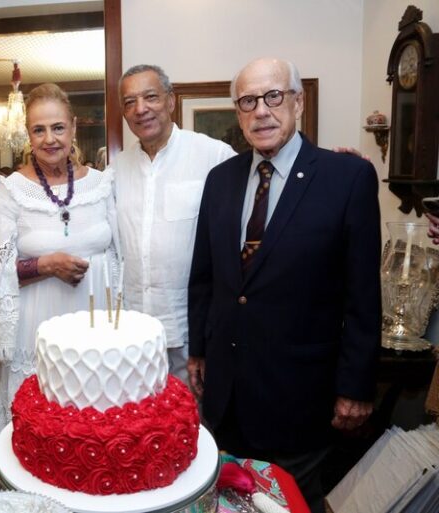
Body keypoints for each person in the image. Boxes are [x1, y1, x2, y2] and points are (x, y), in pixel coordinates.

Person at [187, 58, 381, 512]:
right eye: (248, 101)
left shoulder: (346, 177)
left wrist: (355, 387)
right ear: (238, 112)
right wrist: (199, 348)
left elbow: (363, 295)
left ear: (298, 101)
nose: (261, 111)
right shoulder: (220, 180)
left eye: (274, 96)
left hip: (300, 400)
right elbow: (204, 276)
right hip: (227, 399)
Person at [0, 83, 119, 442]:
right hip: (36, 326)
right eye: (38, 129)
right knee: (37, 429)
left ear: (73, 126)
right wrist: (45, 265)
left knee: (92, 423)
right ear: (28, 134)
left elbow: (121, 257)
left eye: (57, 127)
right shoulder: (11, 191)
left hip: (97, 322)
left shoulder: (102, 185)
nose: (49, 138)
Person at [111, 65, 236, 382]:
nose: (141, 109)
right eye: (129, 102)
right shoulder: (115, 169)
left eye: (150, 97)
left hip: (190, 332)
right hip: (132, 331)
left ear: (170, 100)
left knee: (192, 423)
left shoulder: (214, 156)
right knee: (138, 422)